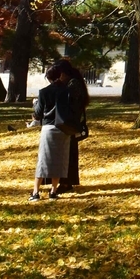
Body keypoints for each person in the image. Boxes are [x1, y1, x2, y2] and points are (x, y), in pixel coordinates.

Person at [29, 63, 74, 201]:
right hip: (63, 128)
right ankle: (53, 191)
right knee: (60, 160)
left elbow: (38, 114)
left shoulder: (44, 92)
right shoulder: (67, 91)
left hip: (48, 127)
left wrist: (35, 104)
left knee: (43, 160)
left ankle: (36, 192)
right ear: (60, 75)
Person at [55, 59, 90, 190]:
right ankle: (66, 180)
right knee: (68, 152)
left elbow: (70, 103)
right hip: (70, 123)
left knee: (68, 152)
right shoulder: (74, 82)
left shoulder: (73, 84)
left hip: (70, 124)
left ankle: (66, 181)